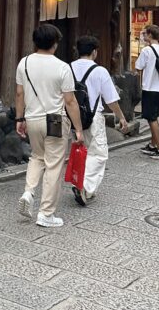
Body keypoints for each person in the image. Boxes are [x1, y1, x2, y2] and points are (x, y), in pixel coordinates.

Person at [15, 23, 84, 228]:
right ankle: (46, 213)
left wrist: (20, 119)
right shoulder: (63, 67)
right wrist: (78, 128)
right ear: (55, 44)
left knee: (37, 156)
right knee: (53, 164)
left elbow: (19, 94)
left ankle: (29, 192)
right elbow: (70, 101)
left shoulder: (24, 63)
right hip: (55, 120)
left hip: (32, 119)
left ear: (35, 42)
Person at [69, 35, 128, 205]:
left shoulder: (68, 68)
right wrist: (121, 117)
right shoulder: (100, 71)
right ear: (94, 52)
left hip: (73, 117)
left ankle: (81, 184)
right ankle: (84, 187)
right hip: (93, 117)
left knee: (82, 150)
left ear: (77, 50)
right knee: (98, 154)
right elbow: (111, 100)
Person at [135, 25, 159, 160]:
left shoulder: (146, 50)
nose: (143, 36)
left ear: (150, 35)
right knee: (154, 116)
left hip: (149, 88)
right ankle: (152, 145)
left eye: (145, 34)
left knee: (151, 118)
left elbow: (138, 66)